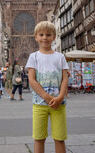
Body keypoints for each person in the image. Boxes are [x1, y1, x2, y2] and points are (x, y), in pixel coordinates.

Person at [26, 21, 69, 153]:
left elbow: (65, 78)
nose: (45, 37)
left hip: (59, 103)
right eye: (41, 34)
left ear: (54, 37)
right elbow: (32, 80)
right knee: (39, 138)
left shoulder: (60, 57)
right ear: (36, 37)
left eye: (48, 34)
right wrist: (48, 97)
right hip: (40, 103)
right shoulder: (33, 56)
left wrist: (60, 97)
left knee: (60, 138)